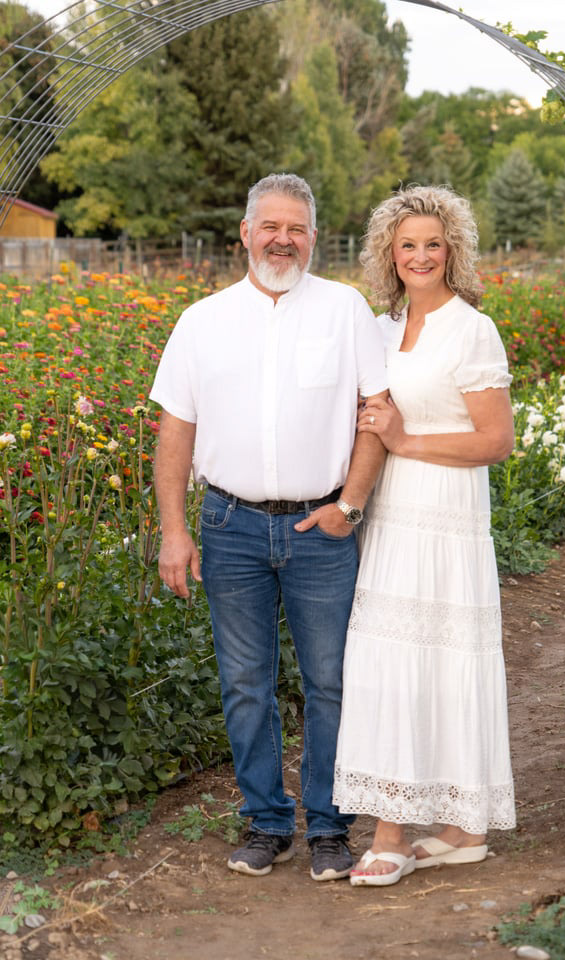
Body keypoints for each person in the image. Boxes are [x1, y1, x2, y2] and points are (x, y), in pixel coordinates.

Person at [149, 173, 388, 882]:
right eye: (271, 227)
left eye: (296, 229)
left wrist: (349, 506)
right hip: (231, 525)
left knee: (331, 682)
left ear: (313, 237)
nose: (283, 240)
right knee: (247, 683)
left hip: (322, 527)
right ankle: (266, 822)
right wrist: (173, 531)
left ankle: (329, 828)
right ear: (245, 234)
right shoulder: (202, 321)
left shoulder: (345, 310)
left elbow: (375, 414)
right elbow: (175, 431)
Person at [333, 184, 517, 887]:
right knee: (394, 659)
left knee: (435, 659)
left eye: (432, 244)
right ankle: (464, 830)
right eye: (406, 244)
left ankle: (391, 834)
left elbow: (496, 440)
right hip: (393, 514)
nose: (419, 256)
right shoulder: (382, 329)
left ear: (452, 251)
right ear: (389, 253)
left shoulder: (472, 329)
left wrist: (406, 440)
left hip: (447, 513)